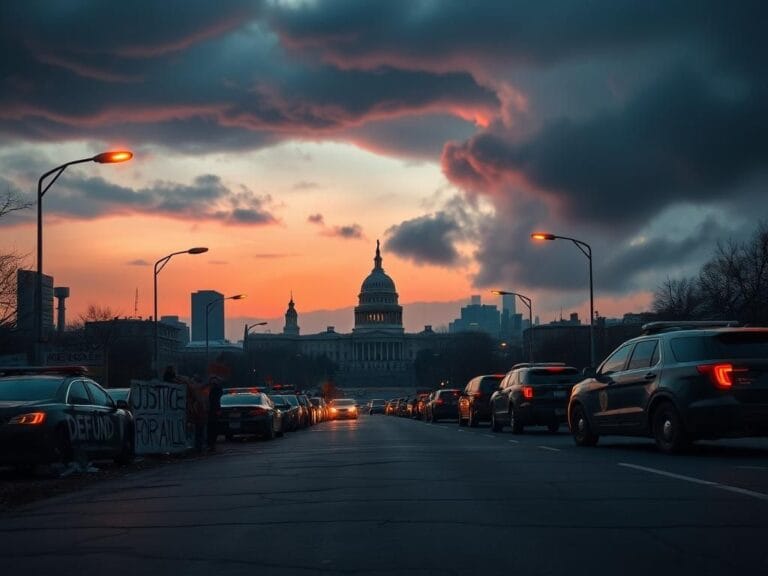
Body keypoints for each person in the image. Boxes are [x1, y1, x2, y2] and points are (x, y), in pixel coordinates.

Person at [207, 376, 223, 450]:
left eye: (214, 382)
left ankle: (212, 443)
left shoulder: (217, 390)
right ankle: (210, 443)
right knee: (210, 428)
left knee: (213, 428)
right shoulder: (208, 390)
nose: (213, 384)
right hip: (208, 411)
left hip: (214, 411)